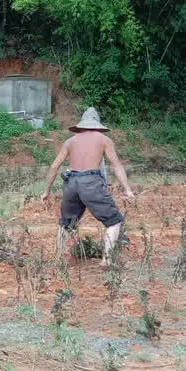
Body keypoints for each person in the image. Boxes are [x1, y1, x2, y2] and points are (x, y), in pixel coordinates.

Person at [40, 107, 136, 263]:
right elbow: (116, 166)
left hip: (70, 182)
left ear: (81, 124)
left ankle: (58, 259)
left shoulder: (70, 141)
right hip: (91, 182)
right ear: (97, 124)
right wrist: (128, 190)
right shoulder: (104, 140)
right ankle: (107, 260)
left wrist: (46, 191)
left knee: (66, 223)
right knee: (114, 221)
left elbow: (54, 167)